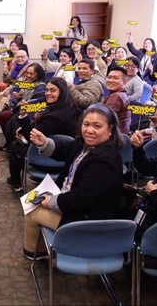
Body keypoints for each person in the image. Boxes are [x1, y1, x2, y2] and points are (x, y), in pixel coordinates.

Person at [23, 104, 124, 259]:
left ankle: (36, 252)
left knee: (32, 212)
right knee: (31, 201)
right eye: (86, 124)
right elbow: (64, 150)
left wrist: (51, 202)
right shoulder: (86, 144)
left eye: (97, 126)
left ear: (110, 129)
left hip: (87, 218)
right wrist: (44, 143)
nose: (89, 130)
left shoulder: (106, 160)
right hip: (73, 202)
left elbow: (81, 199)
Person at [6, 78, 78, 192]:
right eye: (47, 90)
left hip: (48, 157)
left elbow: (33, 137)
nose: (48, 93)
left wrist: (23, 116)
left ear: (62, 92)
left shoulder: (54, 117)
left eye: (52, 90)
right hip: (65, 157)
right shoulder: (69, 106)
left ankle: (15, 182)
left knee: (15, 145)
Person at [103, 67, 130, 134]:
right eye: (109, 77)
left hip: (113, 136)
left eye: (115, 78)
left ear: (124, 82)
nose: (111, 80)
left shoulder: (116, 97)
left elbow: (105, 120)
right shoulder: (121, 94)